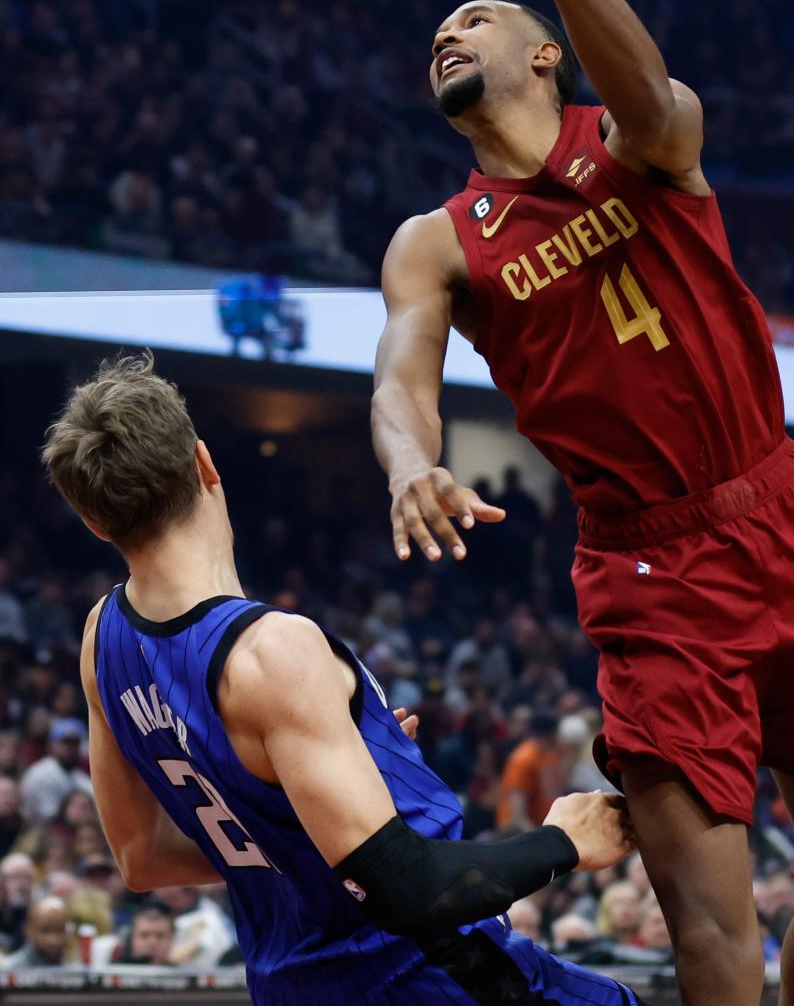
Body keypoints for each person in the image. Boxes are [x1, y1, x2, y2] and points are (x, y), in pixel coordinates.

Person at [372, 0, 794, 1006]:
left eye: (474, 17)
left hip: (791, 521)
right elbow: (403, 374)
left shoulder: (644, 141)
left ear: (545, 51)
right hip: (652, 574)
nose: (447, 35)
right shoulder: (437, 240)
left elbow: (653, 96)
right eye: (433, 35)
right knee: (711, 939)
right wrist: (412, 461)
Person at [43, 352, 643, 1005]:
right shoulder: (273, 651)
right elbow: (406, 888)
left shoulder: (102, 638)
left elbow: (144, 857)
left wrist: (324, 803)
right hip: (423, 976)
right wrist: (564, 842)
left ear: (93, 521)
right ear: (205, 464)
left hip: (288, 987)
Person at [19, 719, 93, 825]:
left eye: (74, 744)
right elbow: (51, 817)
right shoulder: (40, 774)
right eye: (65, 743)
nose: (70, 748)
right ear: (51, 745)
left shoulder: (78, 775)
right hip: (41, 832)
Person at [1, 895, 69, 969]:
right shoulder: (8, 971)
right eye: (45, 931)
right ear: (28, 930)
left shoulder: (77, 971)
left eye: (60, 930)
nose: (53, 940)